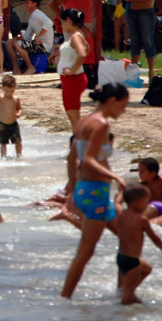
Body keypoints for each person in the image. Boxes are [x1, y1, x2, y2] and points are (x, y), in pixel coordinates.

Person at [60, 83, 131, 298]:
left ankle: (124, 294)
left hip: (86, 190)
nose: (124, 110)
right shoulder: (100, 124)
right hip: (96, 193)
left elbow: (73, 158)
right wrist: (115, 177)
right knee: (85, 252)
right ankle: (65, 299)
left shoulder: (84, 121)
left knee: (128, 240)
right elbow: (89, 160)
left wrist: (73, 188)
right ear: (112, 101)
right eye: (123, 105)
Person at [114, 184, 162, 305]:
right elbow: (155, 238)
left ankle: (129, 291)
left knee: (147, 268)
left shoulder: (121, 214)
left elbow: (116, 203)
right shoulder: (142, 220)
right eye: (147, 202)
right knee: (126, 299)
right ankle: (123, 308)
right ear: (140, 202)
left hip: (121, 257)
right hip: (132, 261)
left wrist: (121, 192)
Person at [121, 0, 160, 78]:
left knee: (148, 41)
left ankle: (151, 72)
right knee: (135, 42)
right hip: (132, 12)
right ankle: (134, 71)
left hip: (146, 12)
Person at [57, 8, 88, 131]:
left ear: (68, 20)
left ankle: (79, 145)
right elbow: (87, 49)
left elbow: (83, 55)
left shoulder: (75, 36)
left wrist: (72, 71)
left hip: (73, 79)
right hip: (72, 80)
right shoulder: (78, 35)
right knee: (73, 114)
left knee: (73, 115)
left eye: (62, 22)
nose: (62, 25)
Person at [6, 0, 54, 74]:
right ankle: (16, 68)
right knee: (9, 42)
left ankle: (30, 67)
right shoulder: (32, 17)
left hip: (44, 45)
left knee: (17, 44)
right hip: (37, 43)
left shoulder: (37, 14)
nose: (25, 5)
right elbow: (27, 36)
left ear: (34, 4)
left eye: (27, 3)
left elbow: (49, 23)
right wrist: (17, 38)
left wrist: (38, 38)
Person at [0, 74, 23, 159]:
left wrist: (19, 113)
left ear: (15, 88)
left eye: (12, 91)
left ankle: (19, 156)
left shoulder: (16, 99)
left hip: (13, 124)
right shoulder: (1, 97)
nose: (9, 93)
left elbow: (20, 108)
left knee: (18, 142)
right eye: (7, 91)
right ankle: (3, 157)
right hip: (3, 124)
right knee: (3, 143)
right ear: (2, 89)